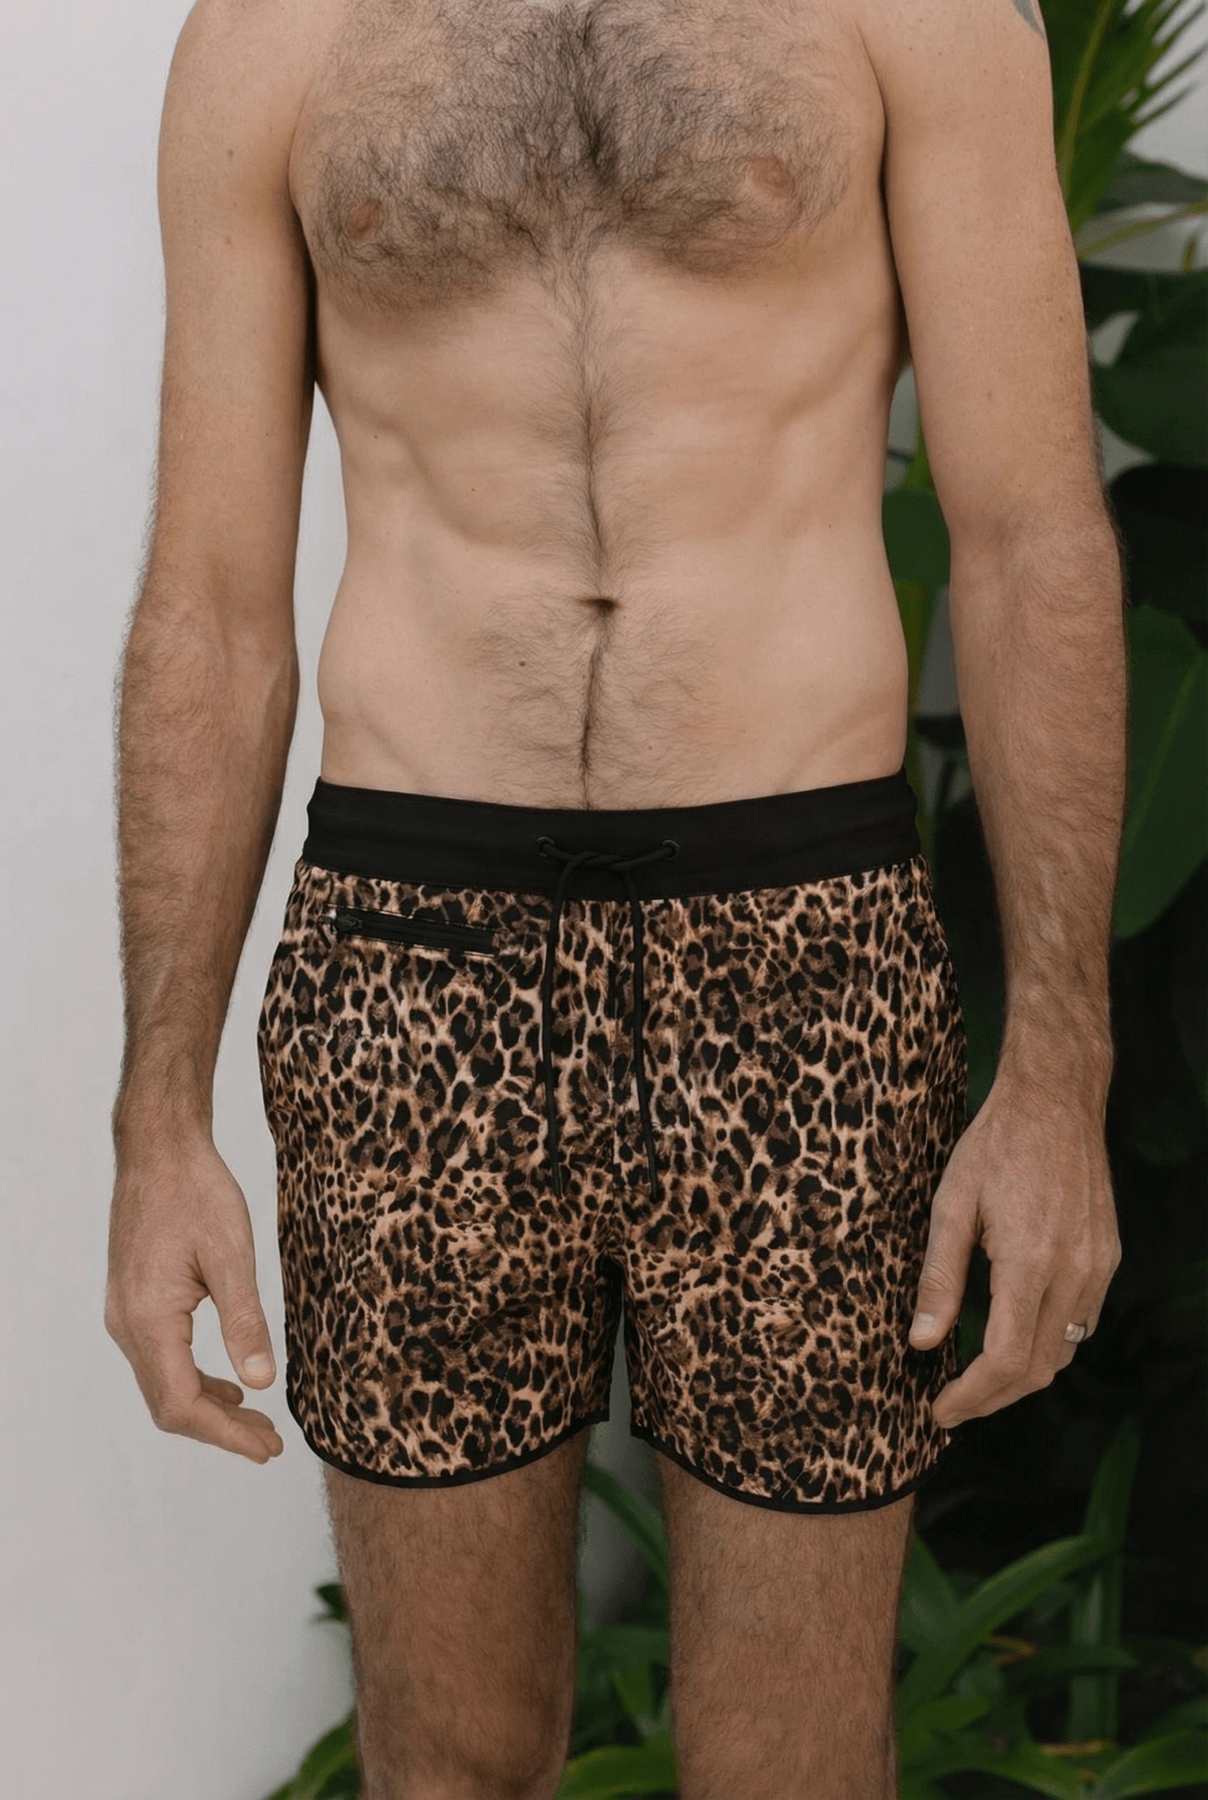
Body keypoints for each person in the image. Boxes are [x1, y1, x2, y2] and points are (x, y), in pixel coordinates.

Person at [104, 0, 1126, 1792]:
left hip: (806, 961)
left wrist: (1059, 1076)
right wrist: (156, 1121)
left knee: (794, 1766)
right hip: (410, 963)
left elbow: (1032, 535)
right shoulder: (272, 39)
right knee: (450, 1760)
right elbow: (213, 607)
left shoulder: (923, 14)